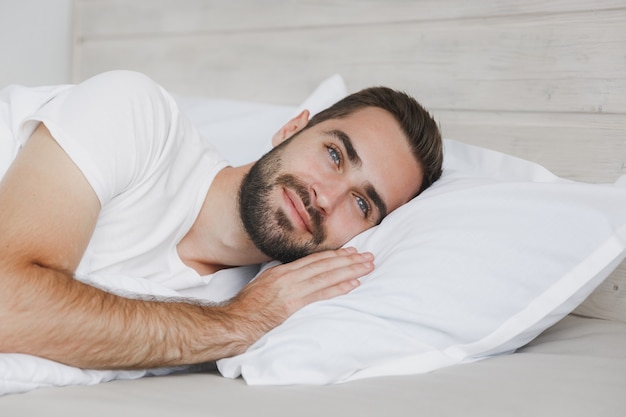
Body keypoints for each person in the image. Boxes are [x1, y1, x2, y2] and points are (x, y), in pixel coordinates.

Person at [0, 71, 442, 370]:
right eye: (334, 154)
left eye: (363, 205)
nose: (325, 197)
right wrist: (235, 324)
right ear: (292, 128)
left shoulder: (275, 304)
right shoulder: (135, 113)